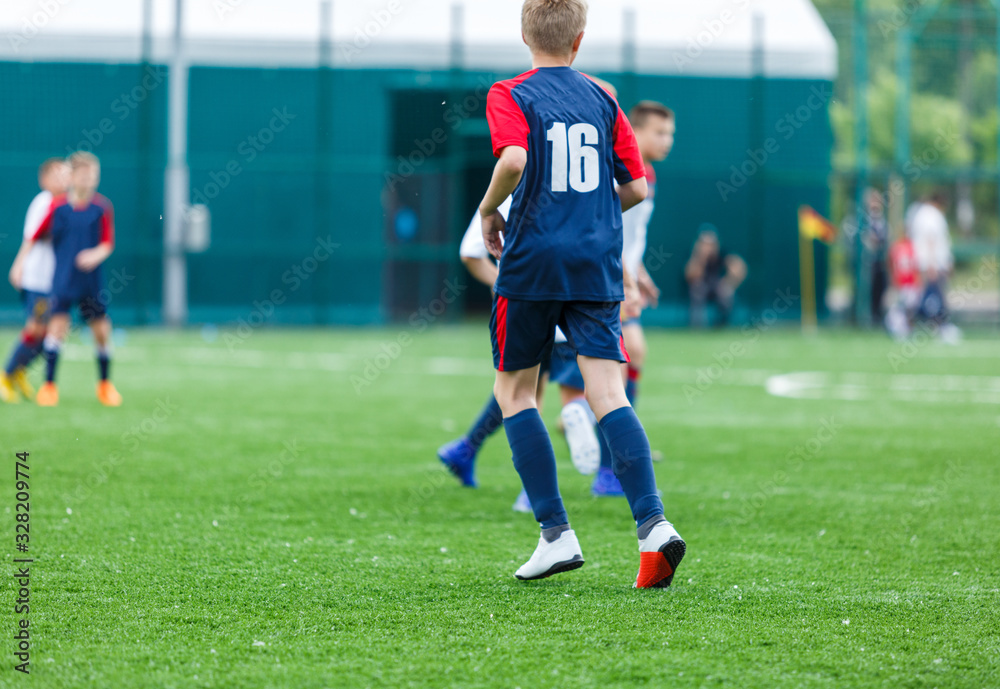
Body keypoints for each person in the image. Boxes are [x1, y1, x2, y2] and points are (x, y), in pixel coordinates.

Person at [479, 0, 684, 588]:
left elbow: (515, 158)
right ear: (580, 39)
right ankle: (653, 526)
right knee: (608, 390)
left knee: (515, 392)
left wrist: (490, 208)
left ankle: (555, 535)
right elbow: (637, 187)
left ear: (525, 33)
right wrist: (591, 217)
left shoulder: (509, 91)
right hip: (596, 263)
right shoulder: (603, 97)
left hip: (533, 260)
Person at [438, 195, 601, 512]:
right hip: (575, 310)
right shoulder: (579, 184)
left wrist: (506, 284)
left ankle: (469, 450)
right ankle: (583, 458)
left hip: (524, 313)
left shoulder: (505, 191)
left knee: (517, 393)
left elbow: (470, 253)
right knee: (574, 392)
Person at [9, 151, 123, 407]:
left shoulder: (101, 207)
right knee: (54, 331)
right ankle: (48, 386)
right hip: (62, 281)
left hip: (92, 282)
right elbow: (34, 237)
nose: (89, 179)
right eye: (83, 174)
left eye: (93, 175)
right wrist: (19, 265)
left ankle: (105, 385)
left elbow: (108, 243)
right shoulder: (57, 207)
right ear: (72, 176)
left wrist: (95, 254)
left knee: (102, 332)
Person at [1, 158, 70, 403]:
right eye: (58, 174)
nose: (65, 178)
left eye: (66, 173)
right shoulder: (44, 203)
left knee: (53, 331)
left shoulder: (67, 203)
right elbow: (31, 238)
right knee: (37, 328)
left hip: (57, 280)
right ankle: (7, 374)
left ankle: (18, 371)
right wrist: (18, 266)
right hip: (39, 279)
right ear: (45, 179)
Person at [909, 190, 961, 343]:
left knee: (926, 296)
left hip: (925, 262)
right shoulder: (931, 215)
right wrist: (933, 263)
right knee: (933, 296)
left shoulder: (920, 213)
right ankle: (939, 326)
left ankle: (919, 324)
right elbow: (931, 239)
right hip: (931, 264)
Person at [685, 225, 746, 328]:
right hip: (701, 288)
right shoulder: (694, 256)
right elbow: (690, 276)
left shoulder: (723, 254)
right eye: (704, 243)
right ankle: (697, 327)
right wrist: (701, 258)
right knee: (697, 290)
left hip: (717, 287)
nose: (708, 247)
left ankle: (721, 325)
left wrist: (729, 283)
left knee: (725, 293)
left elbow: (740, 268)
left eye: (711, 244)